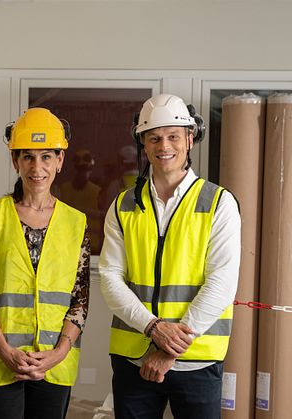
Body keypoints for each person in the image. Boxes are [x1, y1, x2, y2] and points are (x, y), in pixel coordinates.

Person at [99, 93, 241, 418]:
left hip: (196, 360)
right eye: (154, 138)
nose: (164, 146)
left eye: (173, 136)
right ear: (143, 145)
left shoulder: (218, 203)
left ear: (190, 139)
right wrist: (152, 328)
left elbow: (221, 282)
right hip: (133, 358)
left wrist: (168, 349)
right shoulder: (123, 205)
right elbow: (109, 277)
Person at [0, 107, 90, 419]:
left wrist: (58, 353)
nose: (37, 167)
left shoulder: (76, 222)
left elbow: (80, 300)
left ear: (60, 161)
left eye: (46, 156)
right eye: (28, 157)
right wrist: (6, 353)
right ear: (15, 161)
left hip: (54, 365)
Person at [56, 149, 103, 253]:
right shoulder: (63, 189)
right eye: (80, 170)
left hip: (92, 245)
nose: (82, 174)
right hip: (67, 242)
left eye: (85, 170)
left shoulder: (97, 191)